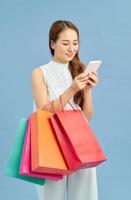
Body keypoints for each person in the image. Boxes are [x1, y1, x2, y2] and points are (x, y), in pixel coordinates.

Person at [31, 20, 99, 200]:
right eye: (66, 43)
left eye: (75, 43)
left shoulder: (79, 69)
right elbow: (44, 110)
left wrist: (87, 90)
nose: (71, 48)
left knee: (85, 195)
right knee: (51, 196)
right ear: (52, 44)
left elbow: (87, 118)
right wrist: (72, 89)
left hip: (79, 141)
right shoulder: (40, 73)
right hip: (50, 142)